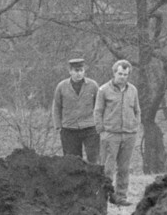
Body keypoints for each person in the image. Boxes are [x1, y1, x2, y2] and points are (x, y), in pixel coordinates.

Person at [95, 59, 140, 206]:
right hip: (110, 134)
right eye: (120, 74)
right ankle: (105, 195)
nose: (123, 77)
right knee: (107, 168)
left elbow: (137, 110)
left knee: (124, 168)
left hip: (129, 135)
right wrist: (101, 131)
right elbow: (98, 111)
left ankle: (121, 197)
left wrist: (135, 126)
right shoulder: (103, 90)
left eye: (126, 74)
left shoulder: (133, 90)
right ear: (114, 73)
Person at [51, 56, 100, 163]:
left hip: (90, 127)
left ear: (84, 71)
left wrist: (100, 124)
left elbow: (99, 106)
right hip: (69, 128)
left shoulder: (93, 86)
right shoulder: (61, 86)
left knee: (93, 158)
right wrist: (58, 125)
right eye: (76, 71)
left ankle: (93, 179)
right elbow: (56, 106)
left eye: (81, 70)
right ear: (70, 71)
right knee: (72, 161)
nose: (79, 74)